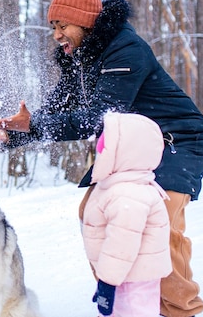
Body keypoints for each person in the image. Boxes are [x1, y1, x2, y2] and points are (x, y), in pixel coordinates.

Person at [0, 0, 203, 317]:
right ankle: (125, 302)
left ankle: (180, 309)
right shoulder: (83, 55)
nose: (57, 35)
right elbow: (56, 112)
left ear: (85, 21)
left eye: (63, 26)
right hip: (131, 145)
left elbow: (99, 119)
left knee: (158, 223)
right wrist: (14, 134)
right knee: (94, 214)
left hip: (175, 138)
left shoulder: (125, 49)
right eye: (53, 27)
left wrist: (32, 126)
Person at [84, 111, 171, 317]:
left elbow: (122, 244)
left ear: (124, 151)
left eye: (106, 144)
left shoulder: (128, 194)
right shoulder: (122, 185)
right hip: (125, 275)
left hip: (131, 279)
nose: (100, 148)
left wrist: (108, 281)